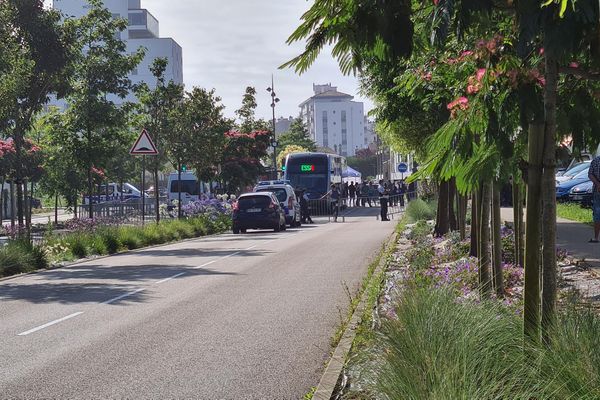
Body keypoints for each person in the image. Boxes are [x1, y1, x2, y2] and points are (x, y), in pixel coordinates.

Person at [588, 156, 600, 242]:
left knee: (597, 214)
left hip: (597, 190)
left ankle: (596, 237)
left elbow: (590, 174)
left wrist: (597, 183)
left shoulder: (595, 160)